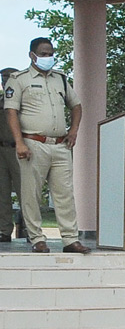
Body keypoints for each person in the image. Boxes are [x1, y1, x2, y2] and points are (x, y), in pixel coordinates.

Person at [4, 38, 89, 254]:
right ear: (32, 55)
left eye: (50, 52)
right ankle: (37, 238)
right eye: (43, 53)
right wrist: (20, 142)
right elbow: (11, 111)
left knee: (65, 193)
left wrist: (74, 130)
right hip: (33, 143)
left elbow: (76, 105)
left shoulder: (60, 79)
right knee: (31, 193)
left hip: (60, 144)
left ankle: (70, 239)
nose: (47, 57)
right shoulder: (18, 79)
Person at [0, 67, 19, 242]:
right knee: (2, 193)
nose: (5, 81)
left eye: (8, 77)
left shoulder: (24, 100)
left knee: (26, 192)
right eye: (3, 78)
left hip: (19, 149)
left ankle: (29, 230)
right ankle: (4, 231)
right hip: (2, 150)